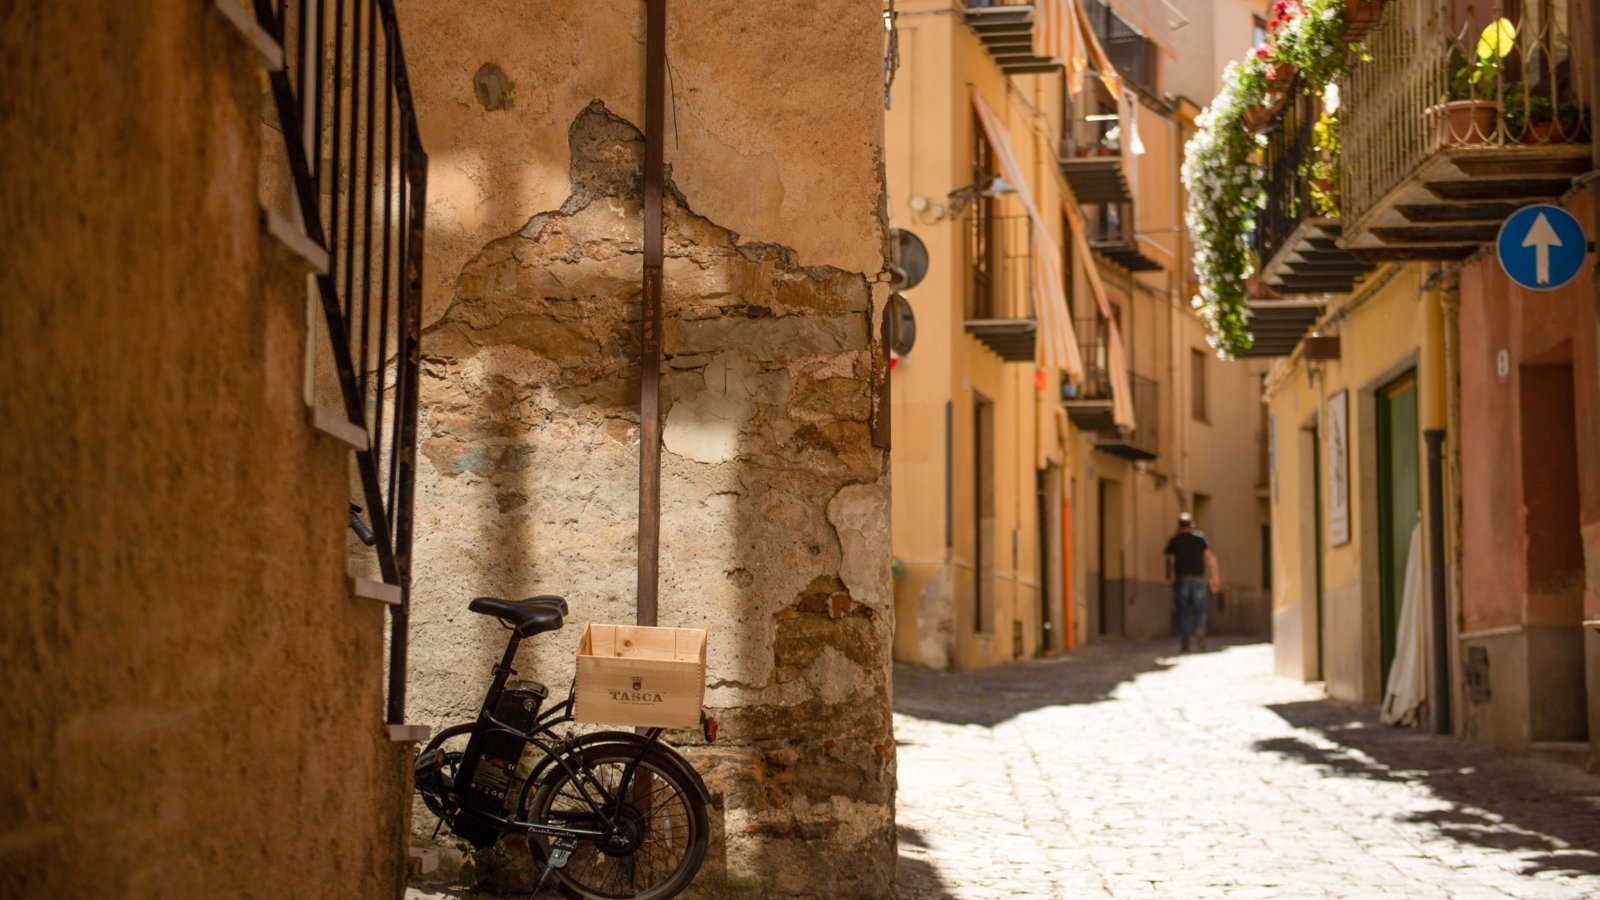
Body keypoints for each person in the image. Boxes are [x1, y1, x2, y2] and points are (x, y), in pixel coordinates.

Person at [1164, 512, 1220, 652]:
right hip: (1198, 580)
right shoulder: (1200, 538)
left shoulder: (1175, 540)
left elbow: (1167, 556)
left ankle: (1185, 644)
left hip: (1182, 579)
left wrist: (1169, 574)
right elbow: (1210, 558)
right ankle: (1200, 629)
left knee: (1183, 613)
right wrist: (1215, 577)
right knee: (1201, 610)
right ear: (1192, 525)